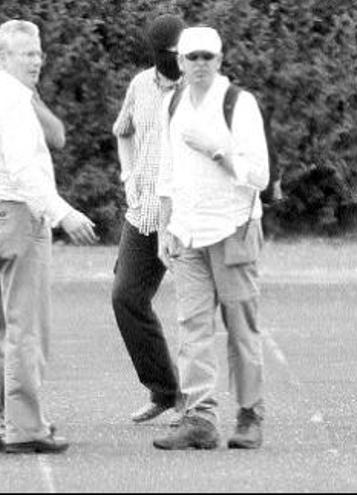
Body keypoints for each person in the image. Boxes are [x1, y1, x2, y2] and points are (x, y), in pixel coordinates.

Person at [153, 26, 269, 450]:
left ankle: (250, 413)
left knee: (241, 326)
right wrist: (166, 225)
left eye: (208, 57)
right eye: (192, 57)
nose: (200, 64)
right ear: (179, 62)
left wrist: (216, 150)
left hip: (232, 228)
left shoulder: (239, 103)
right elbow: (166, 171)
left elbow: (259, 175)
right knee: (191, 327)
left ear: (220, 60)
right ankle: (200, 416)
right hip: (187, 230)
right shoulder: (174, 102)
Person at [0, 19, 98, 454]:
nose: (36, 60)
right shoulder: (14, 102)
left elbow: (56, 136)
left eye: (38, 53)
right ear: (4, 58)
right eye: (26, 53)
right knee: (26, 326)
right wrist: (64, 213)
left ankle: (10, 421)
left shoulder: (17, 97)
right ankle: (24, 428)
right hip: (20, 215)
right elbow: (23, 169)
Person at [111, 14, 186, 426]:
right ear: (156, 54)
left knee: (196, 309)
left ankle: (200, 407)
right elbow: (123, 130)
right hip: (143, 214)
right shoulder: (141, 85)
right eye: (168, 54)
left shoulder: (196, 88)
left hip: (184, 216)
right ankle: (164, 390)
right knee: (126, 297)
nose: (175, 60)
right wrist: (127, 176)